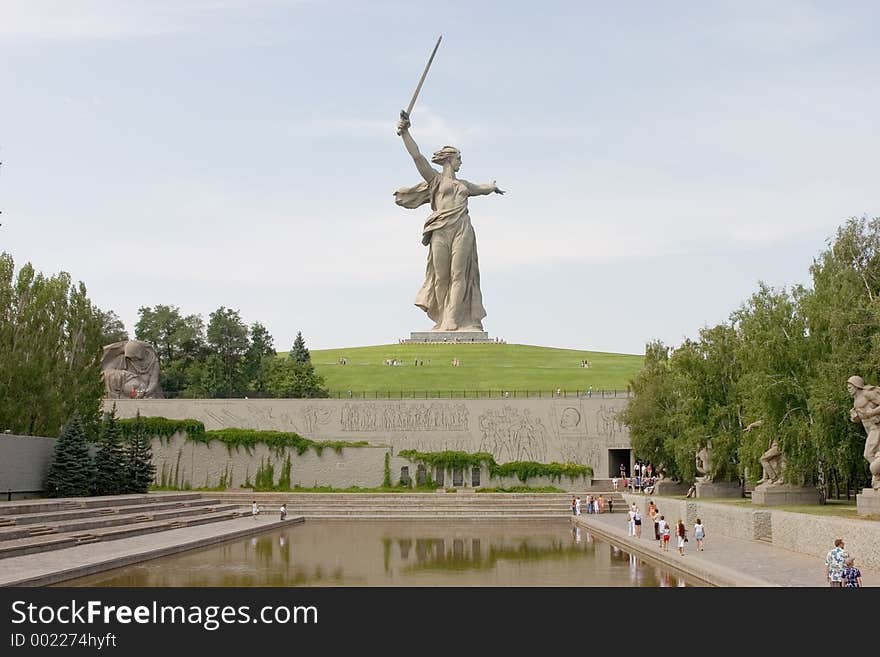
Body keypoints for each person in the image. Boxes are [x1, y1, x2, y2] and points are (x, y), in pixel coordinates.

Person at [395, 112, 504, 332]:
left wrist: (491, 187)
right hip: (440, 230)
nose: (461, 161)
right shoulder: (435, 180)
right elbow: (417, 157)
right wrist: (406, 132)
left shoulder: (464, 185)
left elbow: (481, 189)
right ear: (448, 159)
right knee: (441, 276)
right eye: (459, 158)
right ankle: (443, 317)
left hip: (462, 228)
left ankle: (453, 319)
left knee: (459, 274)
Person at [847, 375, 880, 491]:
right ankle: (877, 477)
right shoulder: (856, 401)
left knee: (868, 454)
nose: (848, 387)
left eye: (850, 385)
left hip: (877, 428)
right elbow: (861, 417)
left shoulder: (867, 394)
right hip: (869, 430)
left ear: (856, 385)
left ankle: (877, 477)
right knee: (873, 454)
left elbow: (871, 411)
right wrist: (855, 418)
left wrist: (872, 413)